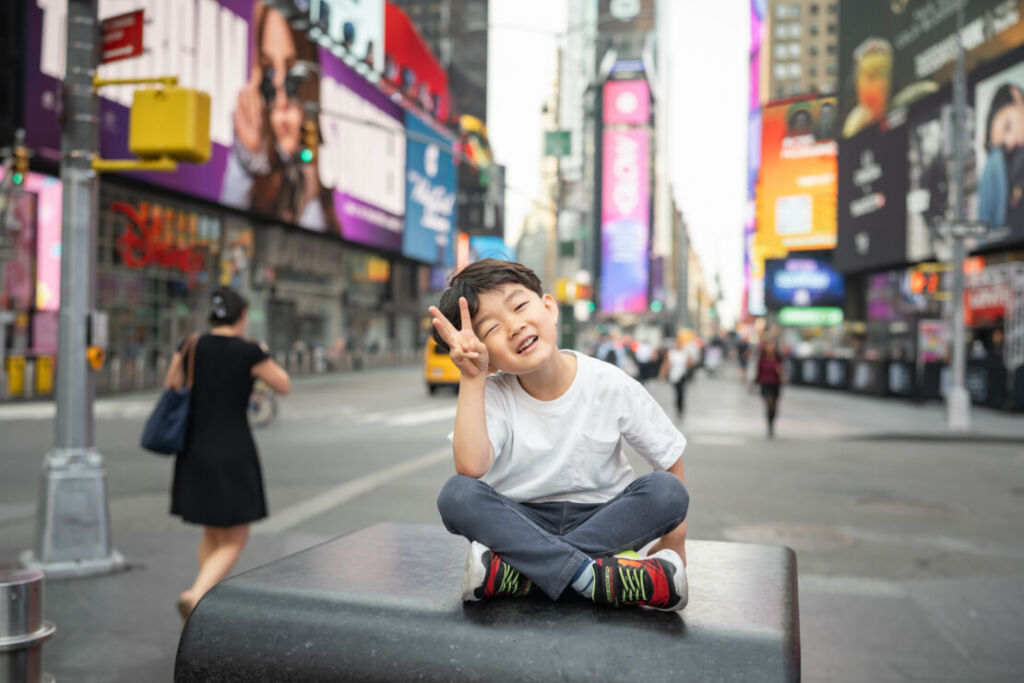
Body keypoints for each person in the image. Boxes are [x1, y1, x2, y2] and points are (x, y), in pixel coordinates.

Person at [429, 259, 689, 611]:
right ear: (489, 359)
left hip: (603, 520)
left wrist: (675, 543)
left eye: (519, 306)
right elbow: (471, 467)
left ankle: (521, 575)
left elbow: (668, 457)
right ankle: (596, 577)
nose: (515, 326)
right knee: (456, 494)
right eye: (492, 328)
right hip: (520, 524)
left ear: (549, 308)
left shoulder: (609, 382)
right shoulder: (493, 394)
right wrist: (473, 378)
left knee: (667, 490)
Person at [167, 286, 291, 621]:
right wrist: (263, 354)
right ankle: (196, 594)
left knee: (212, 530)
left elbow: (172, 384)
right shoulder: (248, 351)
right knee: (236, 536)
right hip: (232, 448)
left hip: (195, 447)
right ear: (242, 316)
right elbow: (283, 385)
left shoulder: (191, 345)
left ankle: (202, 601)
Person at [220, 2, 337, 232]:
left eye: (292, 73)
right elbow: (227, 233)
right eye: (269, 70)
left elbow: (316, 242)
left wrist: (309, 177)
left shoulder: (312, 175)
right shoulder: (250, 162)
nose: (281, 99)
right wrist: (246, 160)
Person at [659, 330, 698, 420]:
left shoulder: (685, 353)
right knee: (676, 393)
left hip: (682, 376)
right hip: (674, 376)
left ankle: (681, 409)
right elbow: (666, 364)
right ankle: (677, 407)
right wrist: (662, 374)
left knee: (682, 393)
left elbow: (690, 365)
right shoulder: (671, 353)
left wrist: (690, 357)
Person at [751, 341, 786, 438]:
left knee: (774, 407)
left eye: (772, 347)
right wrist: (753, 384)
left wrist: (781, 371)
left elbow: (782, 370)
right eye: (769, 347)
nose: (770, 348)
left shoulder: (778, 359)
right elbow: (758, 372)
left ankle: (771, 423)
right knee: (769, 404)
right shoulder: (762, 359)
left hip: (776, 384)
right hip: (765, 384)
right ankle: (769, 425)